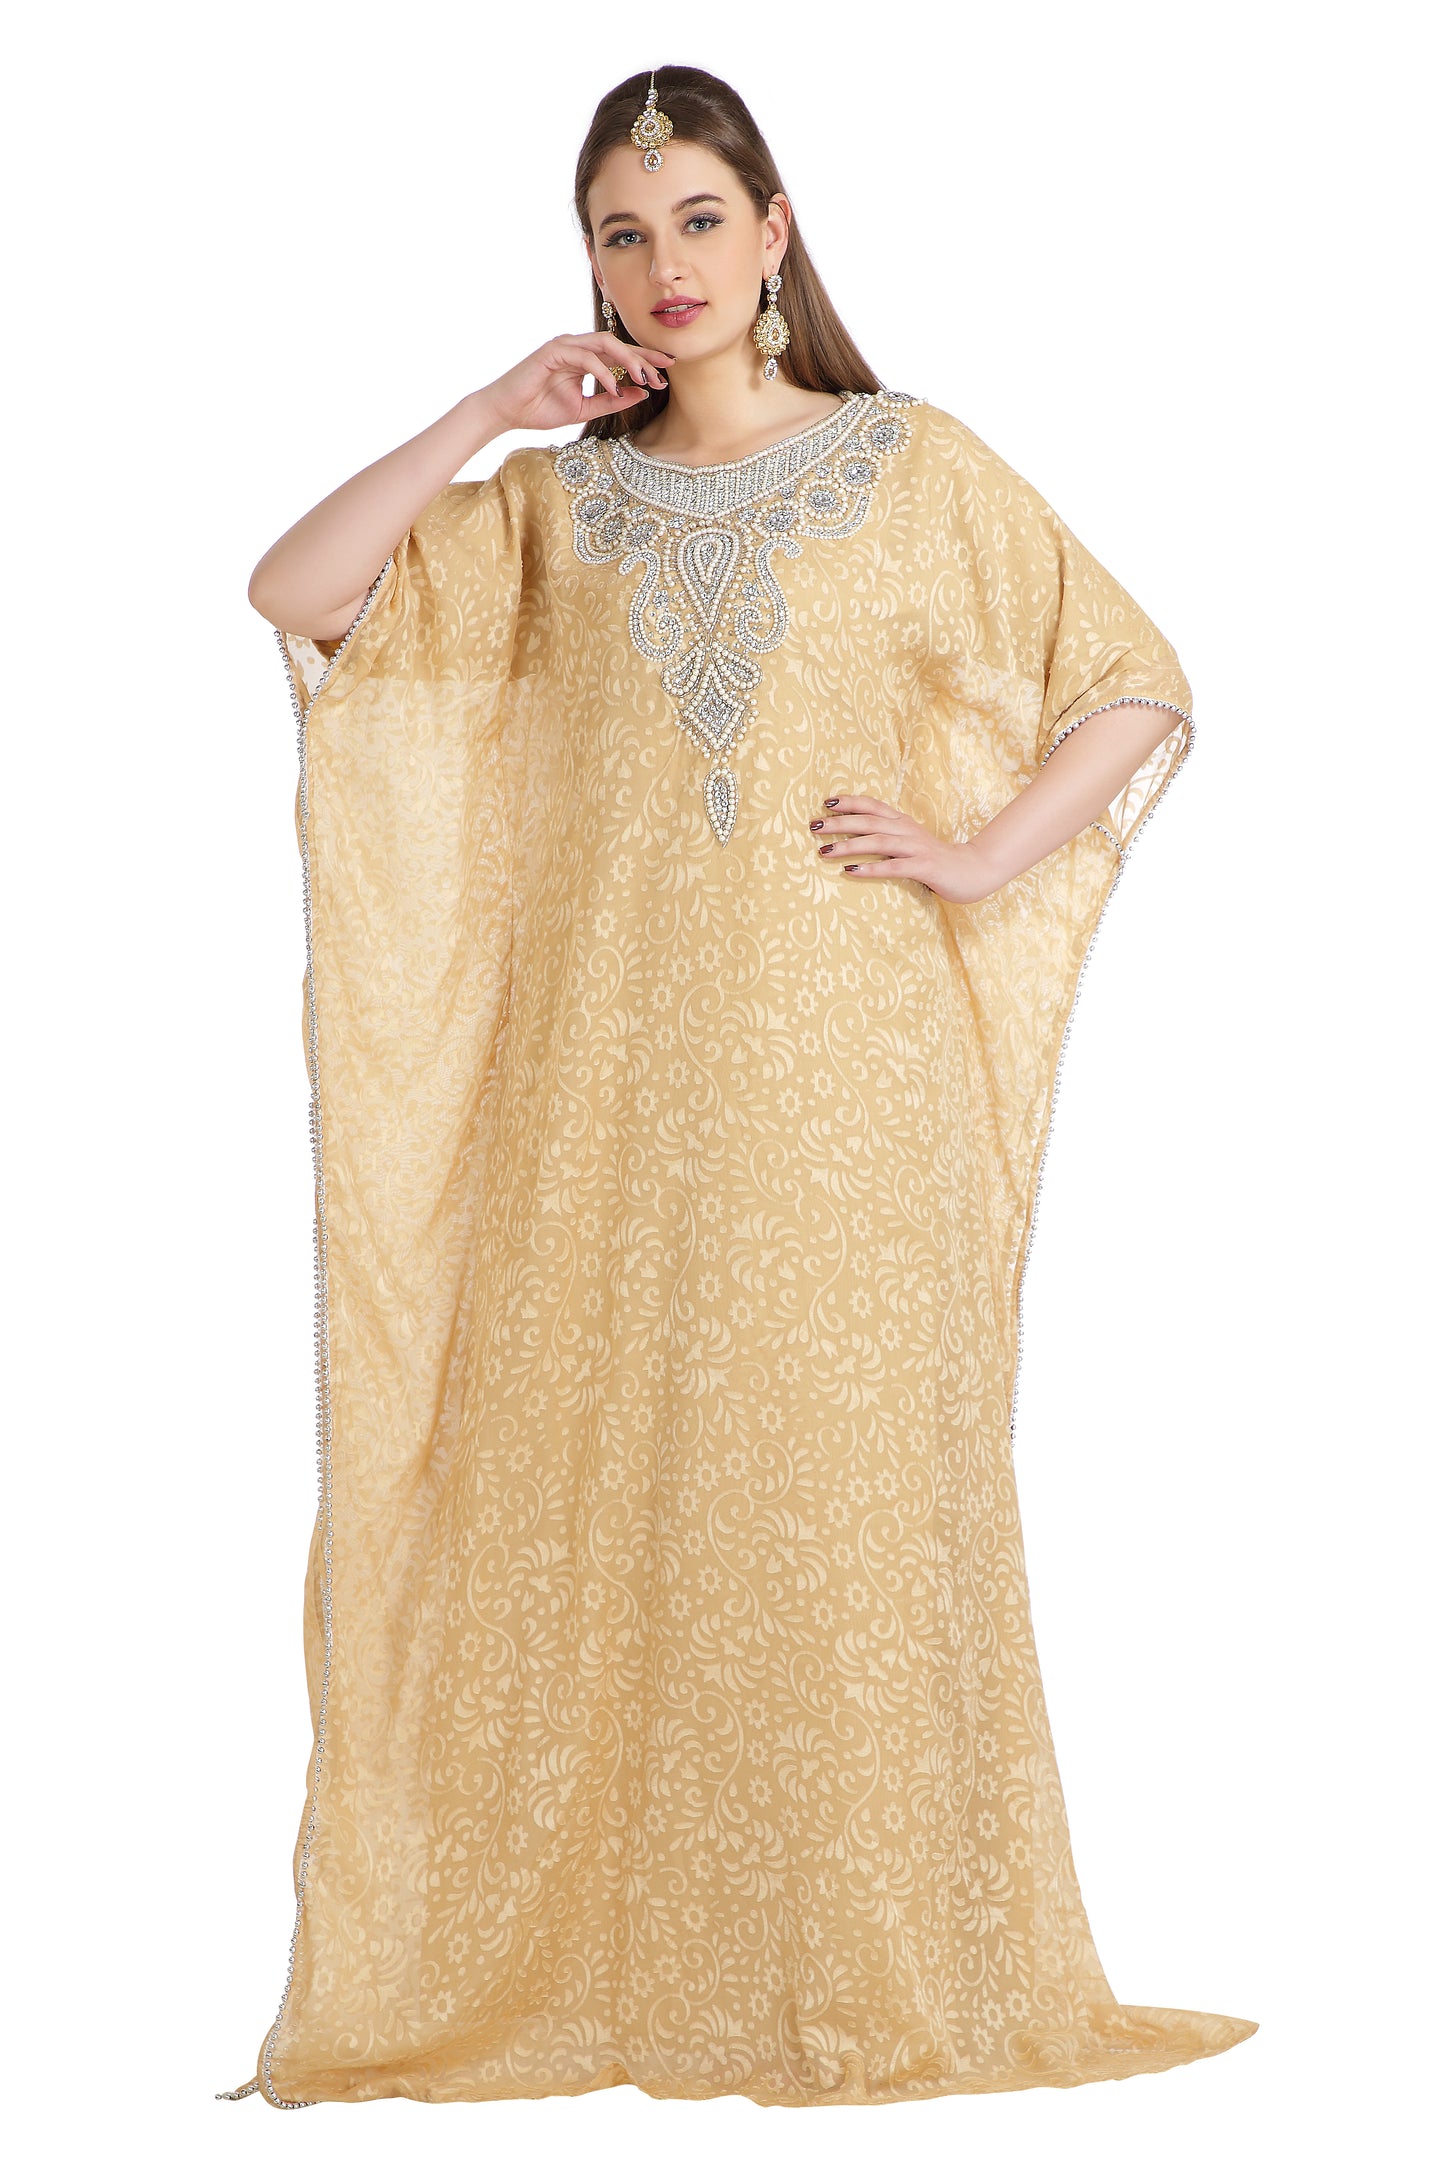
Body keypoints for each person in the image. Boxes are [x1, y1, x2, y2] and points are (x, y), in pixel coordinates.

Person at [219, 62, 1256, 2111]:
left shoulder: (913, 463)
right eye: (623, 232)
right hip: (602, 1099)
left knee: (844, 1498)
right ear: (591, 263)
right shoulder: (554, 514)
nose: (665, 263)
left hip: (856, 1085)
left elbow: (1132, 677)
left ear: (774, 232)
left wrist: (979, 853)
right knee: (610, 1498)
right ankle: (625, 1964)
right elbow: (299, 593)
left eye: (699, 217)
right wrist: (487, 414)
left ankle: (871, 1966)